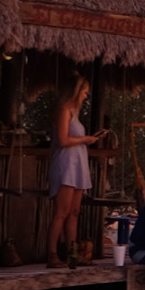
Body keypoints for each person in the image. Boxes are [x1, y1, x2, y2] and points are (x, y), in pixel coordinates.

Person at [46, 76, 107, 268]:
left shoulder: (75, 112)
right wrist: (85, 139)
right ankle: (52, 254)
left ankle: (72, 254)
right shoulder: (64, 110)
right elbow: (64, 140)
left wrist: (87, 139)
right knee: (61, 212)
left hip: (78, 164)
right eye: (84, 91)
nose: (86, 95)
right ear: (75, 90)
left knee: (74, 212)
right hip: (66, 164)